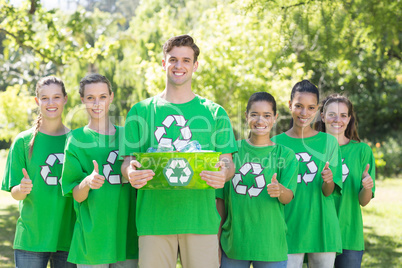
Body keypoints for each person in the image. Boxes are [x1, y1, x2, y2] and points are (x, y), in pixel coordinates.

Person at [119, 35, 237, 268]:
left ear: (195, 65)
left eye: (186, 60)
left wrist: (223, 173)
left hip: (200, 221)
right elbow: (127, 162)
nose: (179, 66)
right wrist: (130, 172)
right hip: (154, 221)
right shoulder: (140, 111)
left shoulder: (214, 113)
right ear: (164, 63)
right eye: (173, 59)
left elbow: (228, 163)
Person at [61, 74, 138, 268]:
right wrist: (87, 182)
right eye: (90, 98)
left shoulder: (127, 135)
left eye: (103, 96)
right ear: (82, 100)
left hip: (126, 236)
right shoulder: (76, 140)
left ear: (111, 97)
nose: (97, 103)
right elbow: (76, 195)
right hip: (93, 238)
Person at [217, 92, 299, 268]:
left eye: (267, 115)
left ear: (275, 118)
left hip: (270, 246)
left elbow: (288, 197)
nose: (260, 121)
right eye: (254, 114)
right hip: (234, 245)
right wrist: (215, 242)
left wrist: (280, 190)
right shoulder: (231, 151)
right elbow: (220, 201)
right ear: (246, 116)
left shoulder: (286, 155)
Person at [1, 76, 75, 268]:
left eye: (56, 97)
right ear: (37, 101)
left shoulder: (76, 140)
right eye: (44, 98)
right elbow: (15, 192)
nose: (51, 103)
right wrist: (22, 188)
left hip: (67, 236)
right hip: (31, 238)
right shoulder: (22, 142)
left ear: (65, 99)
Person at [271, 80, 343, 268]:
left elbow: (329, 191)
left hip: (321, 228)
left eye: (311, 108)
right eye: (299, 106)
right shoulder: (274, 143)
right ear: (289, 105)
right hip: (287, 226)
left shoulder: (329, 142)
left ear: (318, 109)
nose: (304, 113)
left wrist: (328, 180)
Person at [316, 93, 375, 268]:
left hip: (349, 234)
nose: (337, 119)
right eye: (332, 114)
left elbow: (363, 201)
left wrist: (367, 187)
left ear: (349, 119)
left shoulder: (362, 151)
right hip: (320, 233)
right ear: (322, 116)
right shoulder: (312, 151)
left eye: (343, 115)